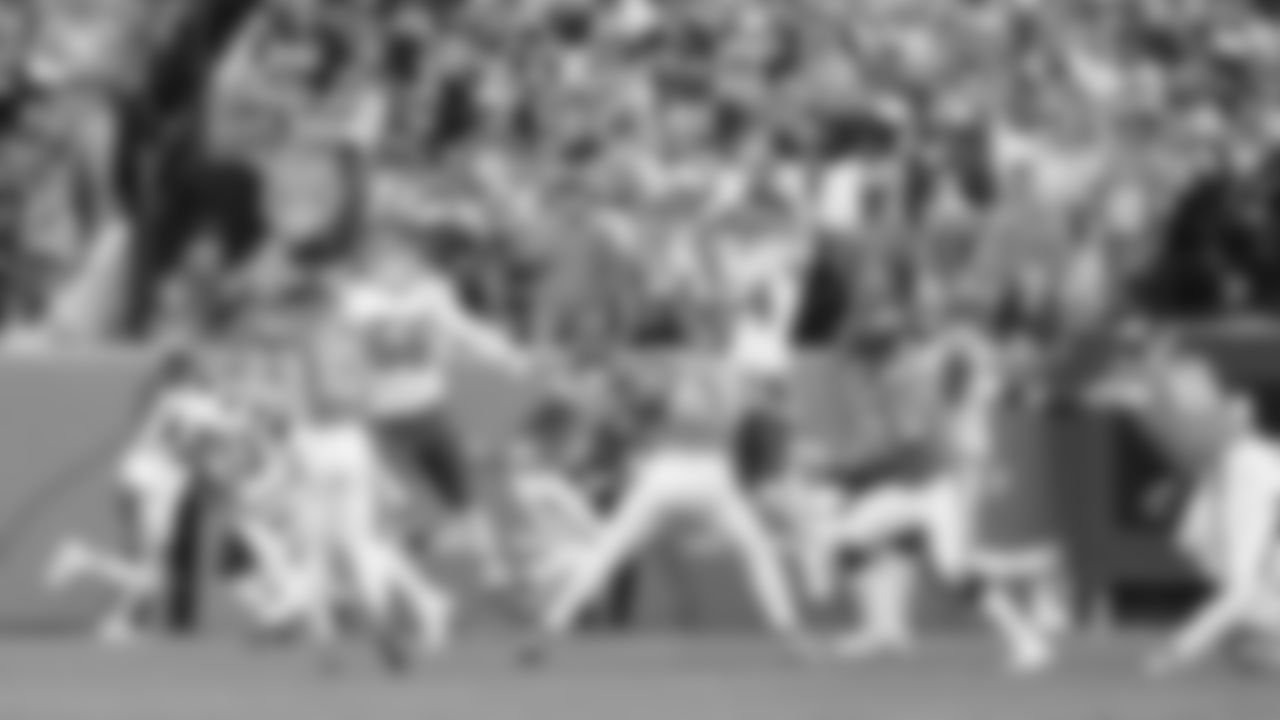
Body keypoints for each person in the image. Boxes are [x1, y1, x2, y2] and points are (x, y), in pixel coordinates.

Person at [530, 354, 814, 659]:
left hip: (667, 477)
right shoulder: (729, 377)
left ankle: (550, 629)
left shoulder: (673, 376)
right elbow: (772, 404)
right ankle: (789, 634)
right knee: (757, 551)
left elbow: (632, 408)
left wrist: (625, 395)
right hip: (711, 478)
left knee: (607, 552)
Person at [1090, 333, 1280, 674]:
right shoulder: (1159, 383)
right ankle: (1261, 630)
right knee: (1198, 545)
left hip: (1245, 468)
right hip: (1224, 469)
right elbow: (1196, 435)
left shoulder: (1177, 376)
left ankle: (1177, 652)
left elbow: (1208, 422)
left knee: (1242, 585)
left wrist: (1152, 367)